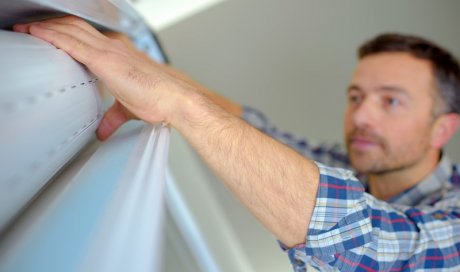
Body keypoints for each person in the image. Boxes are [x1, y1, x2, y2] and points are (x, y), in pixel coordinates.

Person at [13, 16, 460, 271]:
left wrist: (179, 104)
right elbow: (255, 131)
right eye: (356, 97)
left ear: (443, 129)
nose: (361, 115)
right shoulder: (357, 167)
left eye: (392, 102)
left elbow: (379, 246)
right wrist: (145, 65)